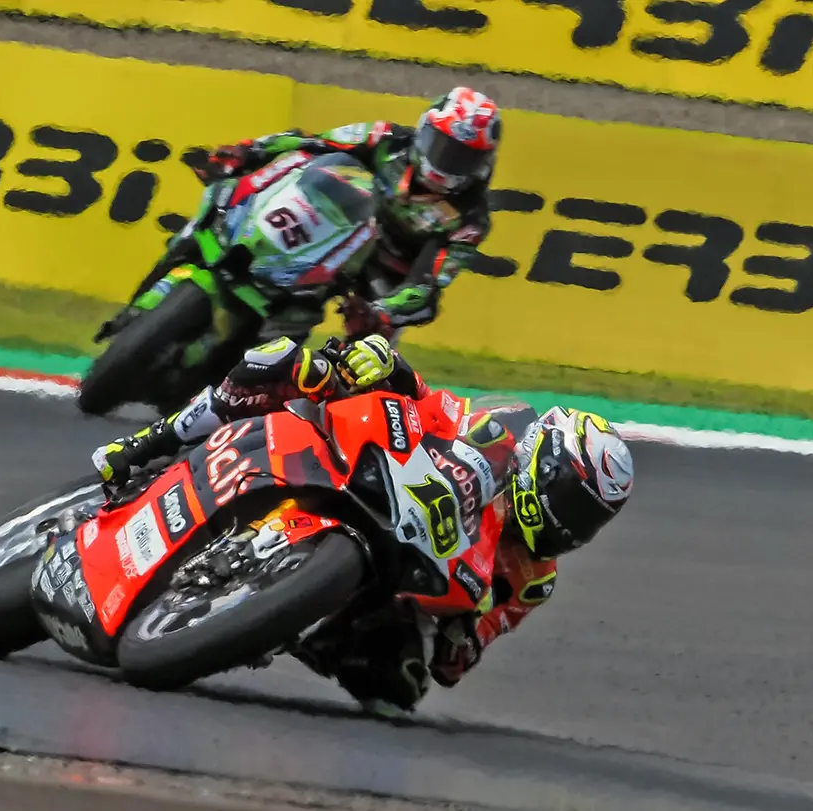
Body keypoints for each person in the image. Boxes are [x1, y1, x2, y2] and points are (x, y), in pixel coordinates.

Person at [92, 335, 635, 717]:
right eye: (574, 502)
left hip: (407, 583)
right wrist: (383, 362)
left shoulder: (533, 576)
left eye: (590, 519)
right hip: (375, 481)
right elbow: (428, 401)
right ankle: (149, 444)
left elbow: (456, 661)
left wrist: (463, 636)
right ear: (545, 464)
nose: (573, 525)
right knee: (288, 363)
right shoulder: (491, 431)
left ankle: (273, 614)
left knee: (400, 687)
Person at [191, 86, 503, 340]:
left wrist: (381, 313)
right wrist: (249, 150)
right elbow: (313, 142)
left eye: (463, 157)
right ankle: (215, 235)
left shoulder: (470, 219)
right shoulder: (385, 138)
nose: (447, 162)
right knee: (287, 168)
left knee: (372, 348)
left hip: (381, 273)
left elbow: (426, 286)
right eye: (441, 146)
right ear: (424, 131)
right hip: (334, 223)